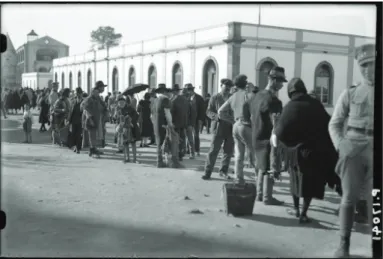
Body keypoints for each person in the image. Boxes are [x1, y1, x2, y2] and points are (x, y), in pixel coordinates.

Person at [329, 43, 375, 258]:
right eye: (363, 65)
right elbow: (334, 123)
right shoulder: (350, 93)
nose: (368, 69)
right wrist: (341, 145)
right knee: (348, 198)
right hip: (353, 150)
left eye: (373, 64)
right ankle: (343, 245)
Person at [274, 78, 338, 223]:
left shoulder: (290, 106)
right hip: (314, 153)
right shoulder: (316, 104)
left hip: (295, 154)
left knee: (294, 182)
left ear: (290, 91)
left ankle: (296, 209)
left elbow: (280, 131)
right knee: (309, 183)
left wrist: (289, 143)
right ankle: (304, 213)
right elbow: (329, 124)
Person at [249, 67, 287, 205]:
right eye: (281, 81)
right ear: (273, 80)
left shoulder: (257, 96)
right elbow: (276, 124)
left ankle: (260, 194)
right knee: (270, 166)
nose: (282, 85)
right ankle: (267, 197)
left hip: (256, 135)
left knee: (261, 166)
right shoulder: (274, 101)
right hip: (267, 137)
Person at [217, 75, 257, 184]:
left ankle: (239, 178)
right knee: (255, 153)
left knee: (239, 154)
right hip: (246, 125)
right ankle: (260, 179)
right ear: (245, 84)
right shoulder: (248, 95)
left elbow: (220, 112)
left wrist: (232, 120)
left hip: (236, 125)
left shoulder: (233, 96)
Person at [202, 79, 235, 180]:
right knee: (213, 151)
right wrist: (215, 117)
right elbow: (208, 111)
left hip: (230, 128)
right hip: (218, 127)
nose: (227, 90)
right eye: (226, 88)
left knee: (228, 152)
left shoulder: (232, 98)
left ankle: (223, 171)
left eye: (229, 89)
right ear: (221, 86)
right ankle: (207, 172)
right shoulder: (215, 97)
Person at [151, 84, 174, 168]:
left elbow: (151, 115)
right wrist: (170, 124)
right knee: (166, 142)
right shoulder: (165, 99)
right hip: (163, 124)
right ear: (164, 91)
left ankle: (159, 161)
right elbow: (167, 113)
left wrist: (154, 122)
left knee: (158, 142)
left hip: (155, 124)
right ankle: (167, 161)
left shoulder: (154, 100)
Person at [81, 81, 107, 158]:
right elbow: (84, 107)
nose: (97, 93)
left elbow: (102, 106)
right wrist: (90, 118)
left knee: (95, 135)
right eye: (96, 92)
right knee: (91, 134)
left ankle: (94, 148)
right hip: (91, 119)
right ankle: (92, 149)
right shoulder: (89, 99)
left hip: (97, 119)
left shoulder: (97, 98)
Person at [169, 84, 188, 166]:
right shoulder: (184, 99)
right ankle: (181, 155)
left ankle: (176, 155)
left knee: (175, 140)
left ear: (174, 91)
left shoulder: (172, 100)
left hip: (175, 123)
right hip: (183, 123)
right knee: (182, 139)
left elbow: (171, 112)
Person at [185, 83, 205, 156]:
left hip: (196, 120)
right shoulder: (185, 98)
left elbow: (202, 110)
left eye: (189, 90)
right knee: (188, 135)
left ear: (192, 90)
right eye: (187, 90)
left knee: (196, 135)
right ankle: (188, 149)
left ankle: (197, 150)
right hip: (187, 120)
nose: (188, 92)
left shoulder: (199, 98)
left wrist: (200, 120)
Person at [68, 87, 84, 154]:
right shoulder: (73, 100)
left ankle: (78, 148)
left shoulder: (83, 101)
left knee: (79, 135)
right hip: (73, 120)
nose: (78, 95)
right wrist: (68, 119)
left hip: (80, 120)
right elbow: (70, 111)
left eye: (79, 93)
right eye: (77, 93)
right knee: (73, 134)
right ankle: (74, 146)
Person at [182, 87, 196, 159]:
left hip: (188, 123)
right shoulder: (187, 103)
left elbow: (193, 114)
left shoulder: (190, 103)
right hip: (183, 123)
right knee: (184, 138)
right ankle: (185, 152)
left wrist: (192, 124)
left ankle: (191, 153)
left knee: (189, 139)